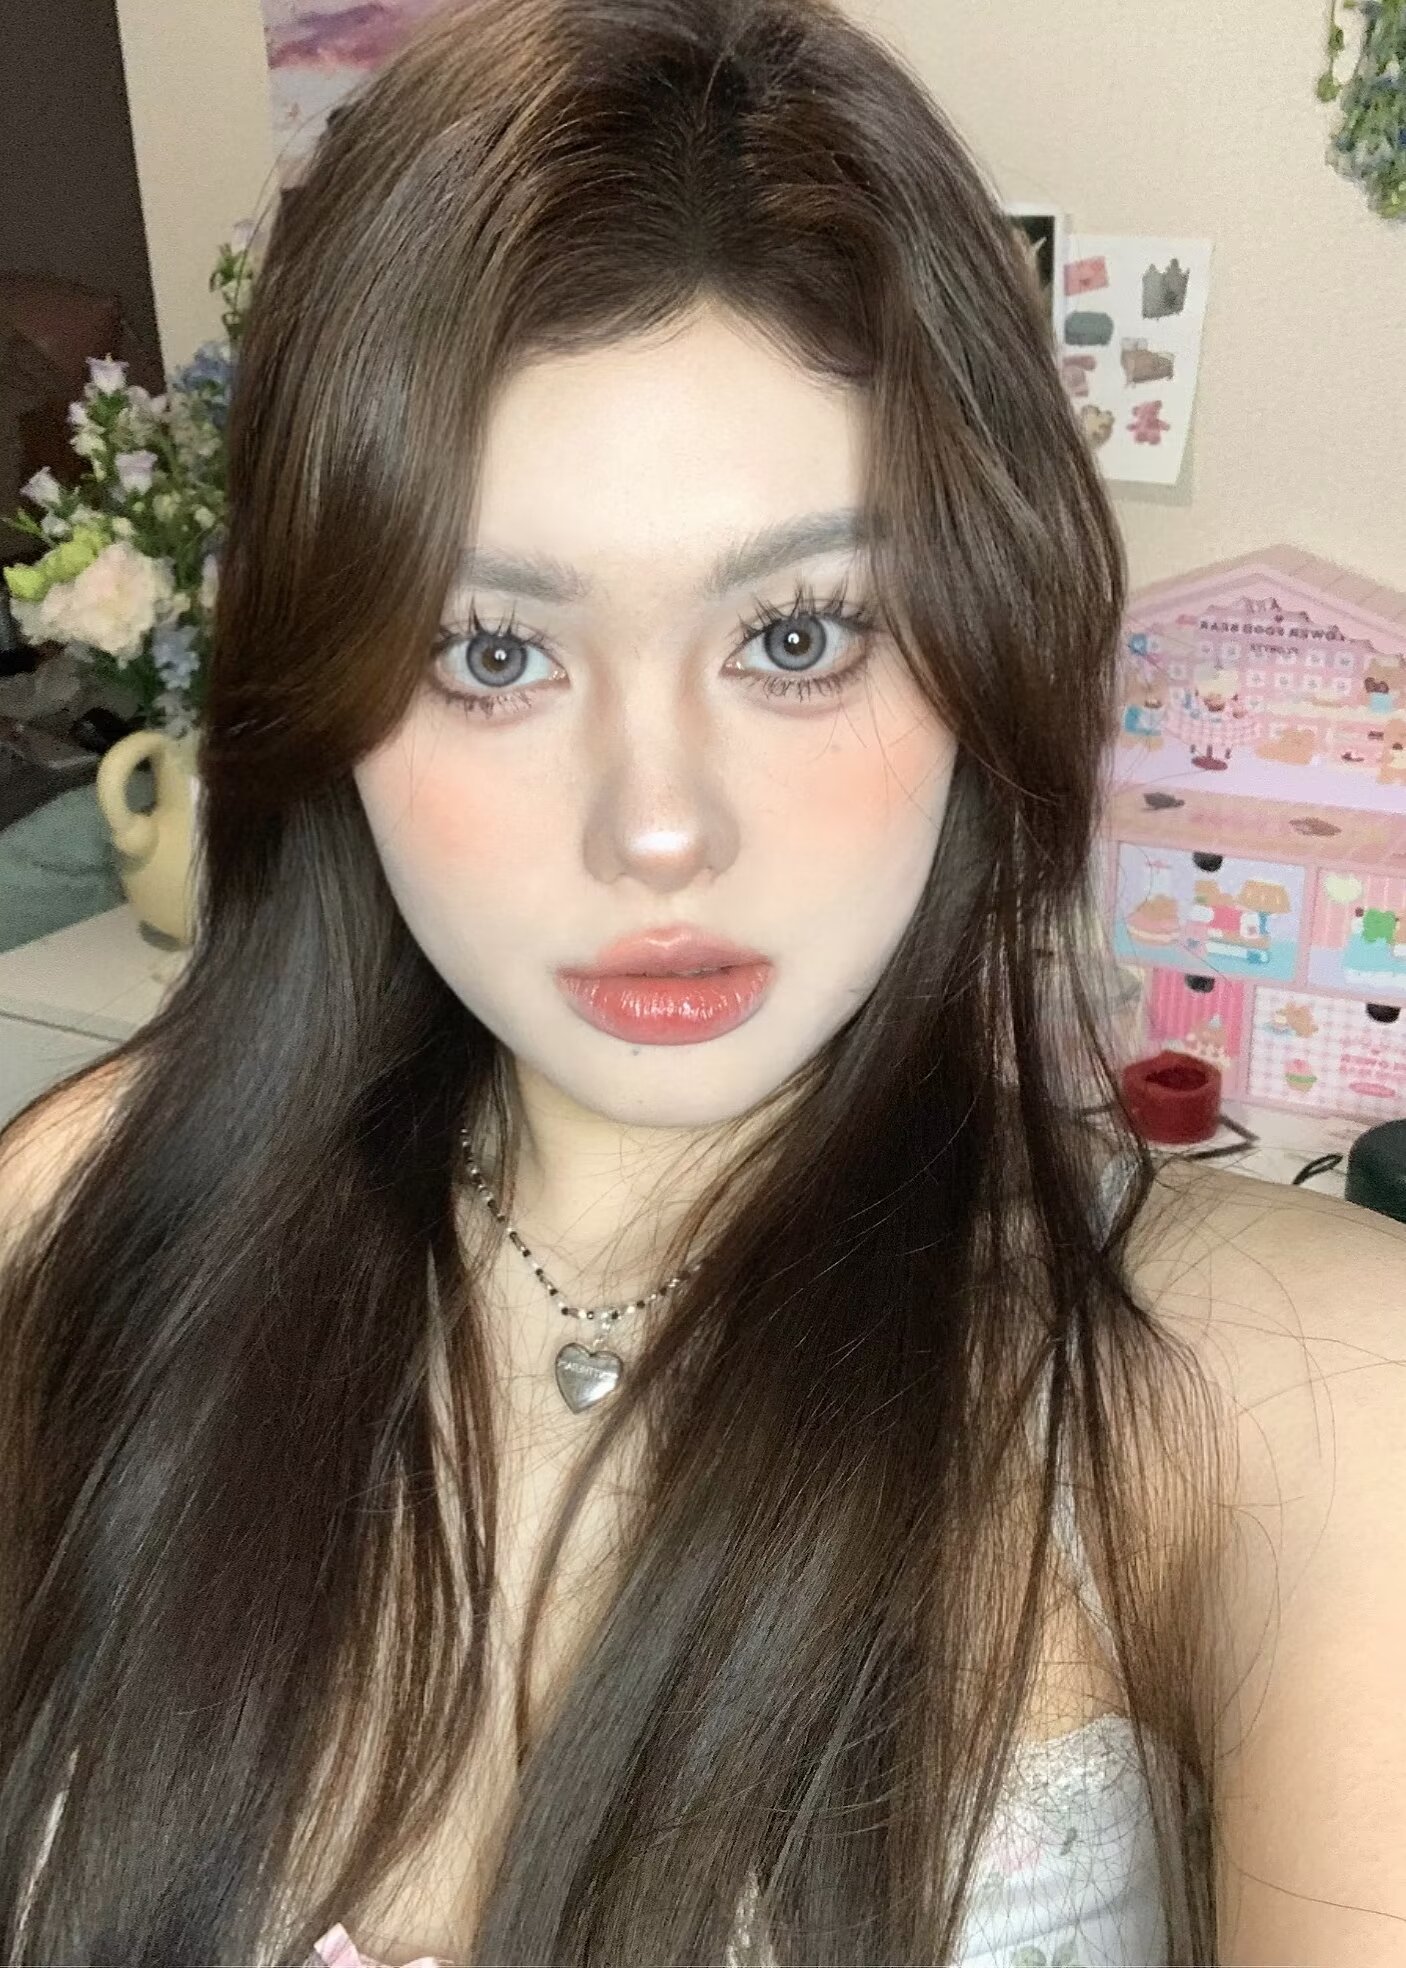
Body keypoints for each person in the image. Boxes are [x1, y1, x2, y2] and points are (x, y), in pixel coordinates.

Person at [2, 1, 1404, 1963]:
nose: (656, 829)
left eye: (798, 634)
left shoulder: (1299, 1391)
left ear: (978, 636)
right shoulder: (80, 1215)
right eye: (492, 652)